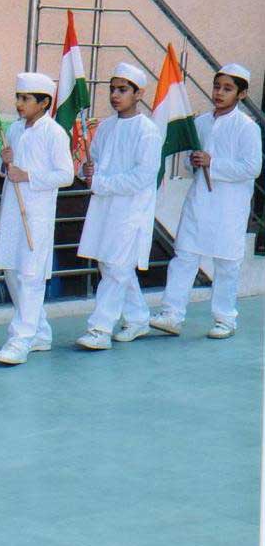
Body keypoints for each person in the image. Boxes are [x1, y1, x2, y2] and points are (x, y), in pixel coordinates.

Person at [149, 63, 262, 339]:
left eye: (227, 88)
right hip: (199, 200)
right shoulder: (200, 123)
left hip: (230, 205)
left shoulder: (247, 127)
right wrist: (194, 162)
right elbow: (190, 166)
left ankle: (225, 319)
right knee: (185, 255)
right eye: (217, 87)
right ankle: (171, 314)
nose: (219, 93)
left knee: (226, 262)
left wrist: (214, 163)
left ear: (242, 94)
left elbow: (252, 167)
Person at [76, 62, 163, 350]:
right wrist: (87, 171)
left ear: (139, 94)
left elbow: (142, 177)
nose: (115, 95)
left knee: (116, 266)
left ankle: (99, 329)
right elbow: (94, 162)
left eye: (122, 90)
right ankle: (138, 318)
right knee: (111, 265)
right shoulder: (106, 126)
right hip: (104, 207)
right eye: (112, 89)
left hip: (131, 211)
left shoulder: (147, 131)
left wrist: (101, 183)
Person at [0, 72, 73, 365]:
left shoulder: (55, 133)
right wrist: (5, 164)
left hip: (37, 215)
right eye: (18, 97)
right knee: (12, 271)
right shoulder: (14, 130)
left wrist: (28, 176)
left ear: (44, 102)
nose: (19, 103)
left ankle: (20, 339)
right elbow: (4, 170)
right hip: (12, 212)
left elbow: (66, 175)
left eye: (25, 99)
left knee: (30, 276)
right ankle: (39, 332)